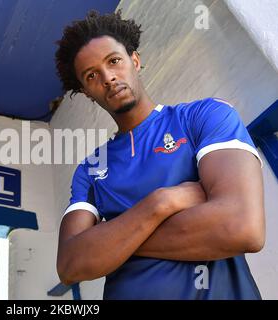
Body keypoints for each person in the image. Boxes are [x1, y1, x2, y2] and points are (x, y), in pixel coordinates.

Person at [55, 10, 265, 299]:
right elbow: (70, 265)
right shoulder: (92, 167)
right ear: (87, 92)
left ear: (135, 60)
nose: (108, 77)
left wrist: (114, 242)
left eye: (114, 61)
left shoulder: (203, 117)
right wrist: (161, 202)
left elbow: (242, 227)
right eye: (92, 76)